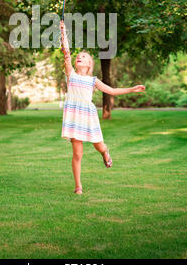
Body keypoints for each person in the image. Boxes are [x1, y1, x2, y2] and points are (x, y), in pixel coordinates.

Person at [60, 20, 146, 195]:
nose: (79, 57)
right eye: (79, 56)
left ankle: (105, 153)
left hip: (88, 117)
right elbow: (66, 52)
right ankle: (78, 186)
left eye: (84, 57)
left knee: (99, 146)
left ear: (89, 64)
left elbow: (112, 91)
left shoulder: (93, 80)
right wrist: (63, 32)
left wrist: (132, 89)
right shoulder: (71, 74)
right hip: (75, 117)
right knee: (77, 154)